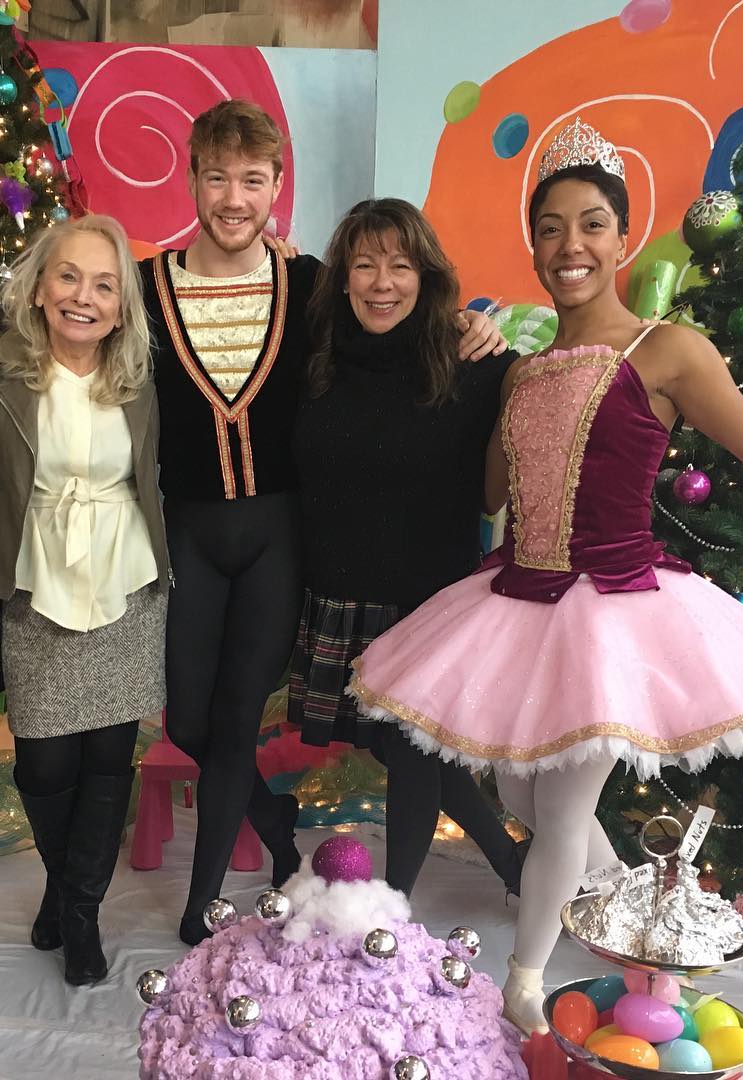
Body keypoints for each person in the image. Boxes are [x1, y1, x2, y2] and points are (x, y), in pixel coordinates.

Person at [348, 117, 743, 1034]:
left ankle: (525, 979)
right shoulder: (521, 370)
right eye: (550, 228)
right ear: (533, 245)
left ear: (622, 238)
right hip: (521, 596)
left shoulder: (668, 351)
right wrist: (477, 372)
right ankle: (629, 905)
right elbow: (496, 488)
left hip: (616, 611)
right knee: (520, 791)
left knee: (561, 804)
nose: (570, 246)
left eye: (591, 223)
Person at [138, 98, 505, 945]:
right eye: (218, 176)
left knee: (236, 720)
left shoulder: (308, 283)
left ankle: (202, 907)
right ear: (192, 176)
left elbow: (398, 315)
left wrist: (469, 322)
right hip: (187, 527)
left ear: (276, 187)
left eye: (253, 179)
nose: (234, 196)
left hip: (279, 536)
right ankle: (273, 824)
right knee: (189, 721)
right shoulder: (144, 283)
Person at [290, 198, 523, 899]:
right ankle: (515, 868)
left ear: (426, 277)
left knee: (417, 755)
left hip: (427, 601)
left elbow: (541, 407)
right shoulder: (315, 358)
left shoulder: (470, 362)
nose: (381, 282)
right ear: (343, 277)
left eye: (400, 265)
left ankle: (394, 909)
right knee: (405, 750)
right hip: (341, 591)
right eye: (364, 265)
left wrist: (484, 326)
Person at [0, 214, 168, 986]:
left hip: (127, 584)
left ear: (122, 305)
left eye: (103, 285)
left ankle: (80, 911)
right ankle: (66, 886)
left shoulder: (142, 381)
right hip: (35, 583)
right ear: (39, 286)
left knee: (106, 759)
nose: (84, 298)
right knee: (43, 761)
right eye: (69, 277)